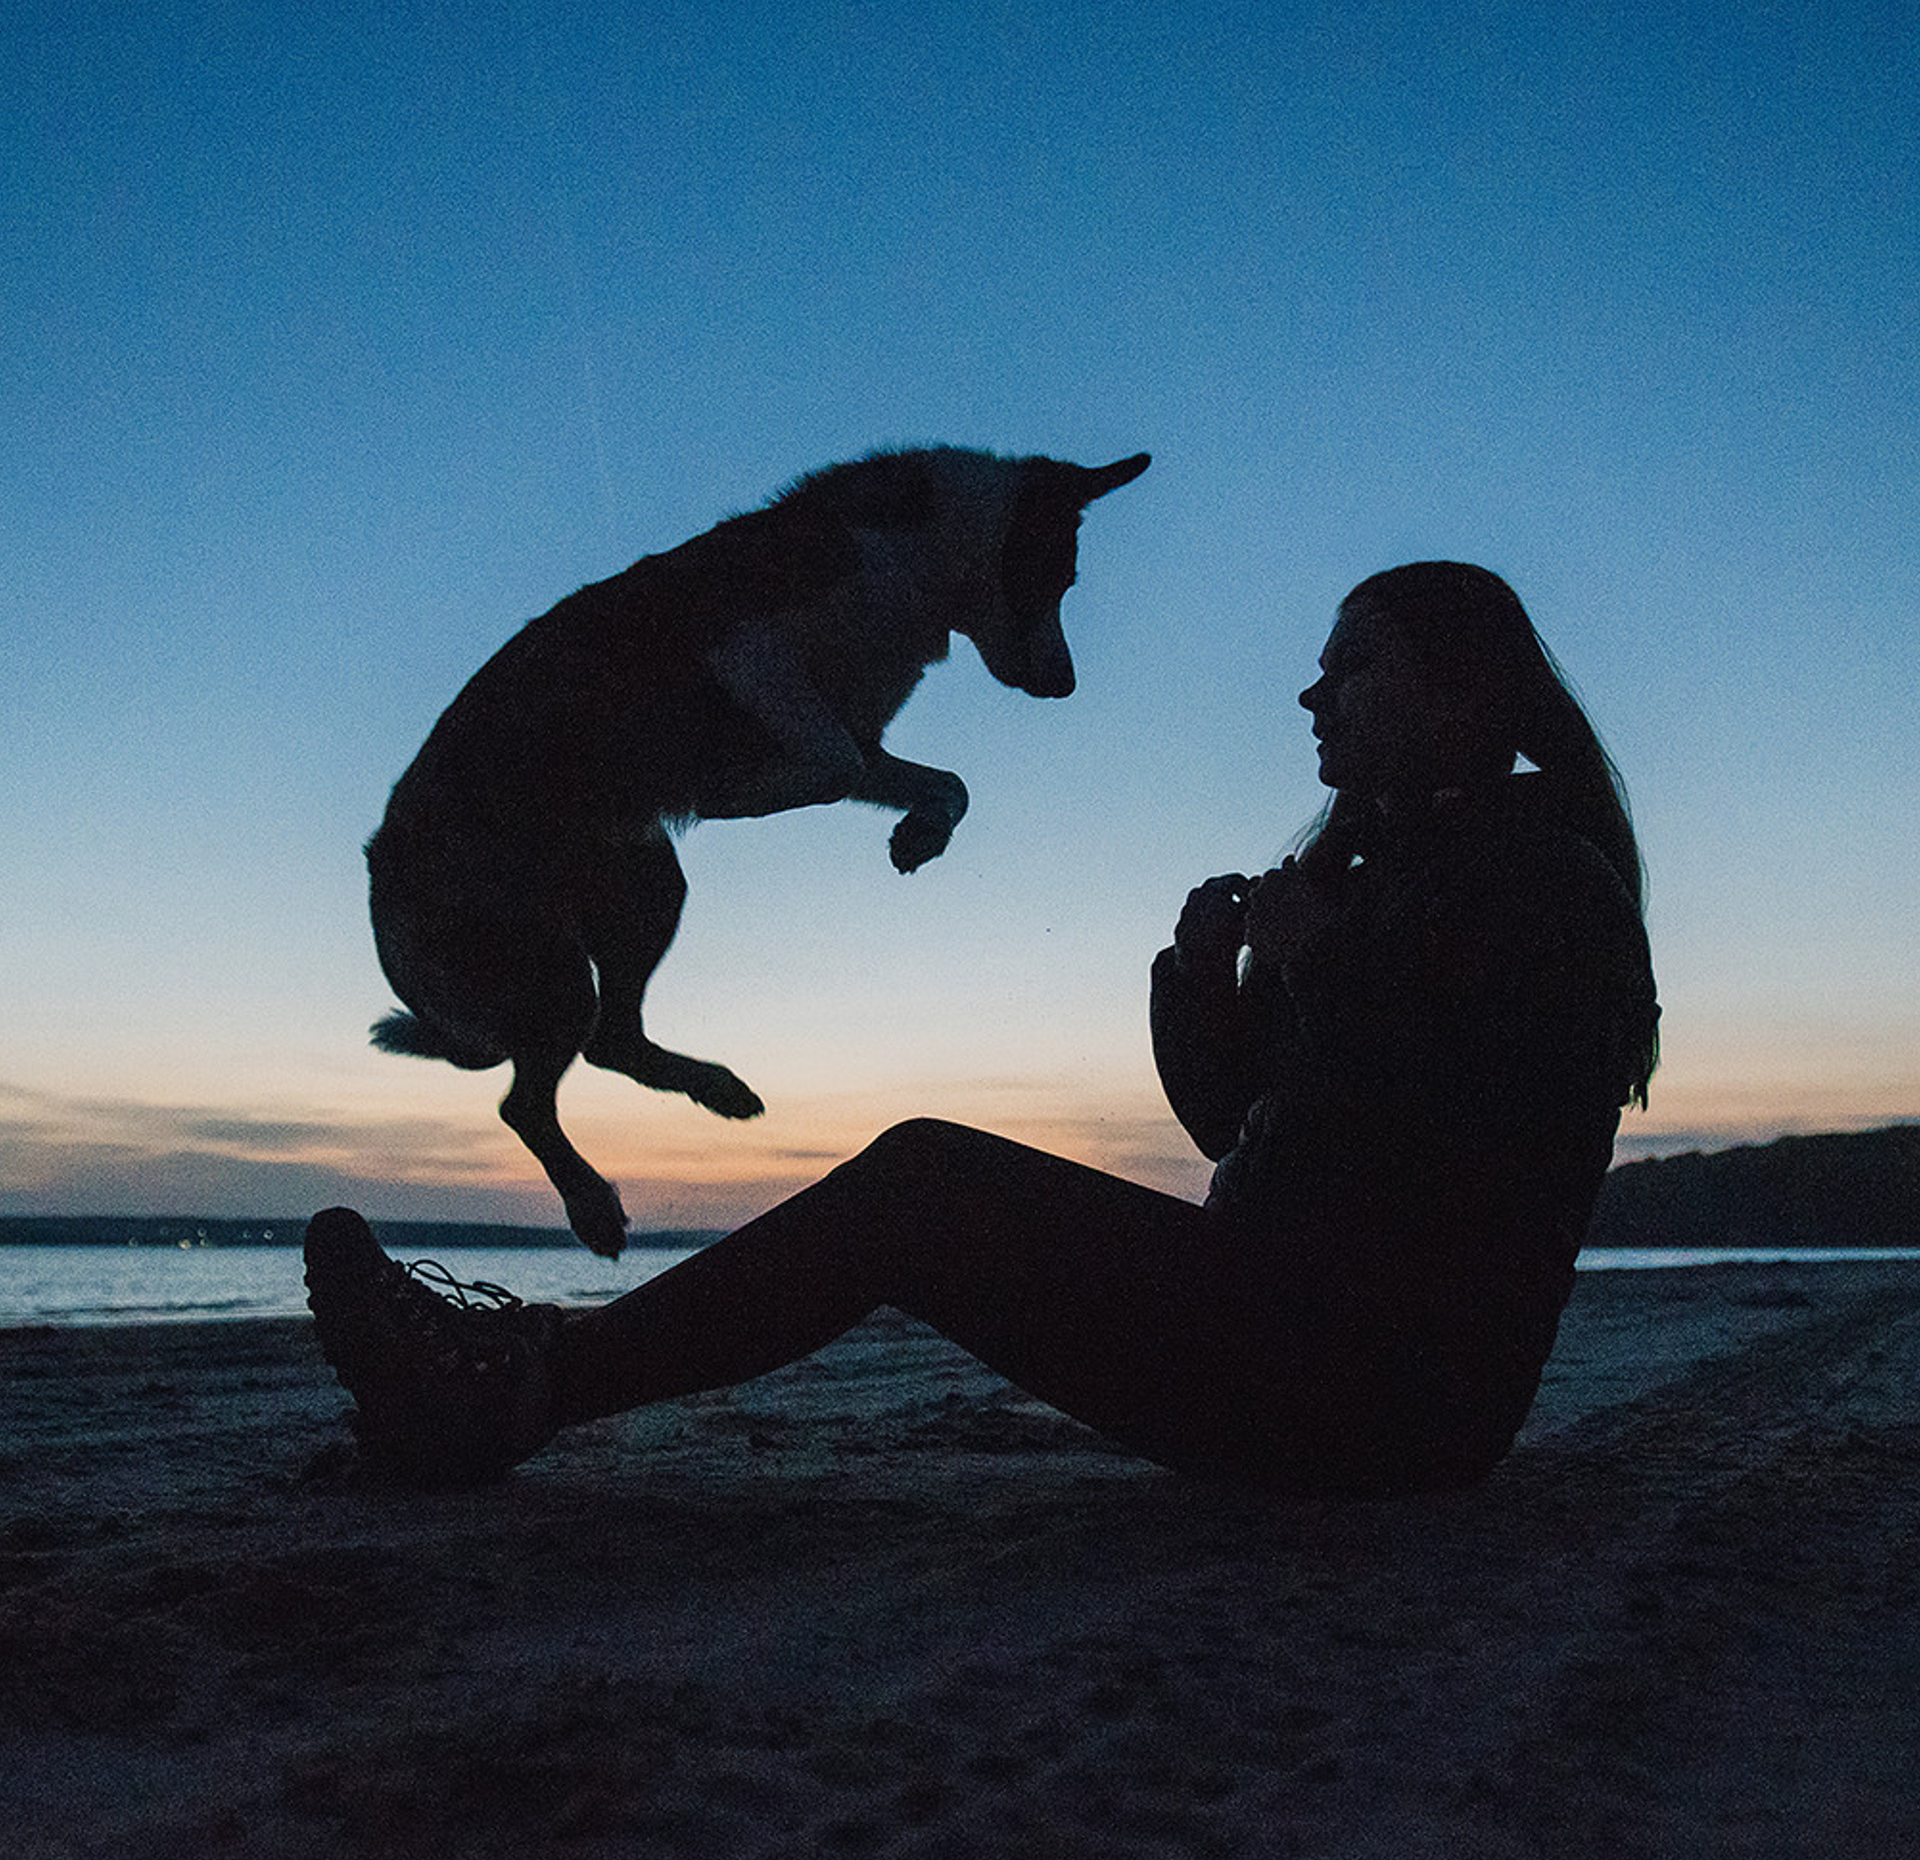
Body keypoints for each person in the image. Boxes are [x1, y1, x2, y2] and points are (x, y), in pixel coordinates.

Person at [305, 561, 1658, 1492]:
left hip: (1384, 1395)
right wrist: (1201, 977)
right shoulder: (1388, 868)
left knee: (922, 1182)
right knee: (922, 1194)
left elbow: (1456, 1165)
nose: (1314, 698)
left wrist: (1326, 971)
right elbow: (1228, 1121)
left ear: (1464, 694)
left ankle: (515, 1385)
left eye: (1354, 669)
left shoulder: (1545, 885)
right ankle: (520, 1377)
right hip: (1288, 1333)